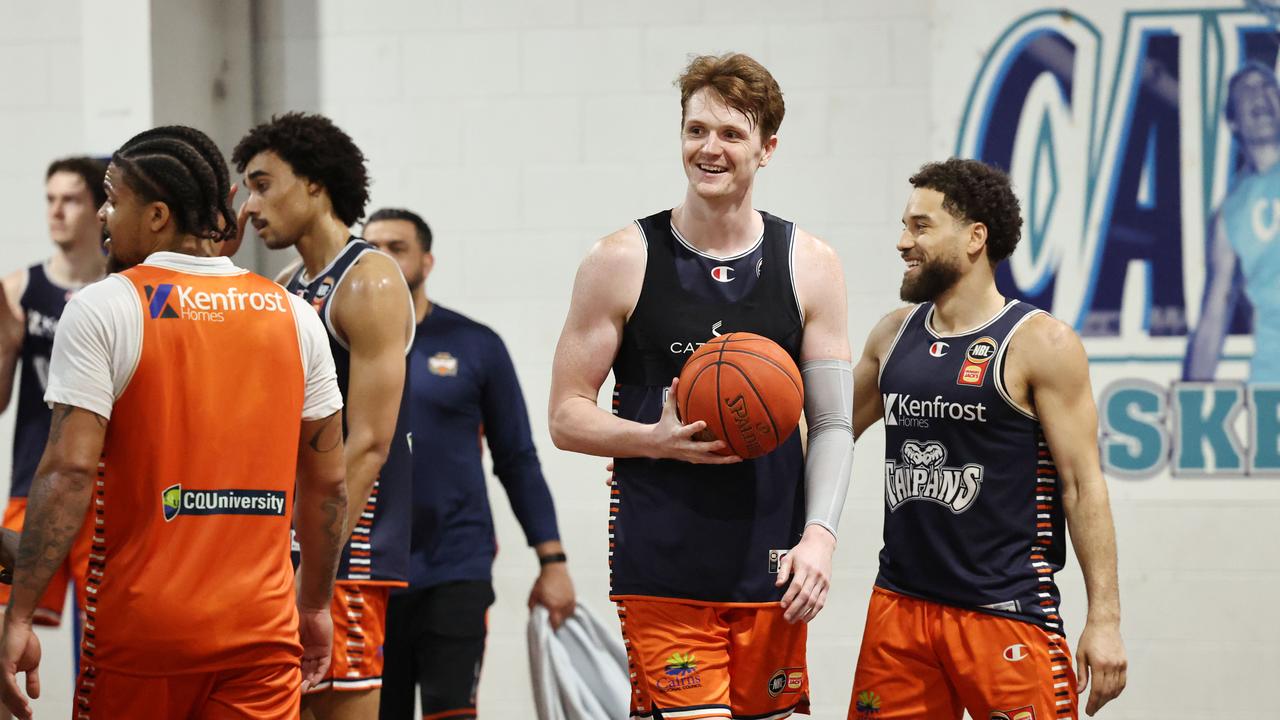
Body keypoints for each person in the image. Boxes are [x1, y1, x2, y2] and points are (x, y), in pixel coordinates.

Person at [0, 125, 348, 720]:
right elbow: (328, 485)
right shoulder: (294, 315)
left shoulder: (104, 306)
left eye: (113, 198)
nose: (104, 214)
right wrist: (314, 605)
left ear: (157, 214)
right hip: (262, 636)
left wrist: (21, 613)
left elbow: (69, 472)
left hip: (142, 640)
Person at [548, 53, 854, 720]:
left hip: (772, 569)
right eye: (695, 130)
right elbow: (566, 417)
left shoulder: (811, 265)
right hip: (661, 567)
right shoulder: (620, 260)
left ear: (768, 148)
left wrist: (821, 539)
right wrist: (651, 440)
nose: (709, 149)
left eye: (731, 134)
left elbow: (832, 424)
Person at [847, 159, 1127, 719]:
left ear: (975, 237)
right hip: (898, 607)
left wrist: (1105, 620)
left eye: (921, 226)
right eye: (905, 226)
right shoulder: (891, 335)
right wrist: (691, 456)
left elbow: (1081, 485)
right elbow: (824, 435)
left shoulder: (1041, 342)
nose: (903, 242)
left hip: (1005, 610)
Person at [233, 113, 415, 720]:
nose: (250, 206)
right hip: (293, 536)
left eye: (262, 184)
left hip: (347, 549)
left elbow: (367, 444)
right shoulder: (286, 282)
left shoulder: (369, 281)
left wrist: (317, 567)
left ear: (314, 184)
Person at [363, 208, 577, 719]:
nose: (384, 260)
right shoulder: (343, 348)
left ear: (427, 261)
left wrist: (553, 561)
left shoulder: (475, 344)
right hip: (369, 573)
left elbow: (518, 459)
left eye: (397, 248)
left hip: (454, 566)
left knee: (450, 712)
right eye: (372, 250)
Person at [0, 157, 106, 690]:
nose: (57, 211)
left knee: (101, 638)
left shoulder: (121, 287)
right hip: (32, 483)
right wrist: (5, 339)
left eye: (71, 199)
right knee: (6, 632)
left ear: (97, 208)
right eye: (49, 199)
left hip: (101, 488)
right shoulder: (19, 288)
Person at [1184, 61, 1280, 383]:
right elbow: (1215, 311)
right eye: (1247, 90)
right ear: (1234, 122)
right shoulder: (1231, 212)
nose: (1261, 95)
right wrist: (1189, 401)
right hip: (1272, 382)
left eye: (1269, 87)